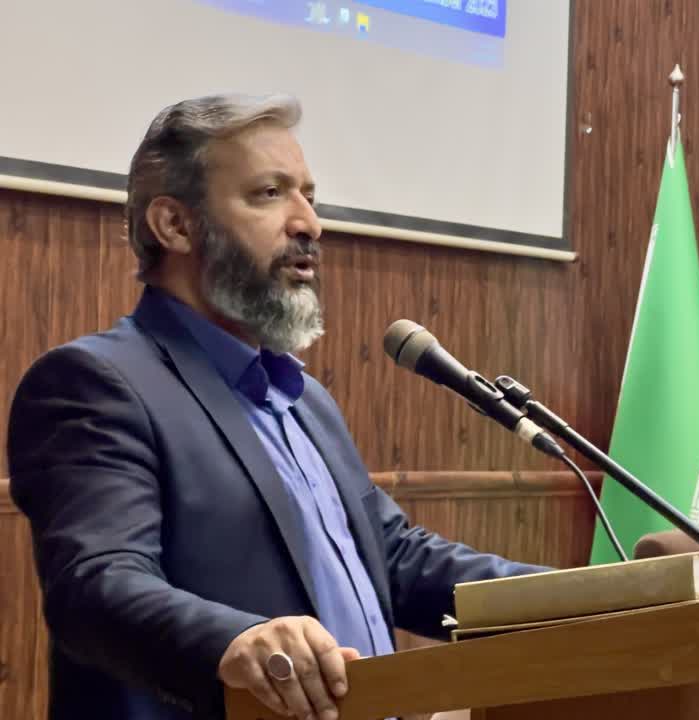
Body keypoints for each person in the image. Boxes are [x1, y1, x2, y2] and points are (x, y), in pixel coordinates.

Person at [7, 94, 548, 720]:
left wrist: (591, 596)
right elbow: (96, 585)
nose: (309, 224)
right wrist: (236, 642)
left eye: (309, 197)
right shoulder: (96, 383)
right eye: (269, 194)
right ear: (175, 225)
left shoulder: (302, 397)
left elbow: (394, 558)